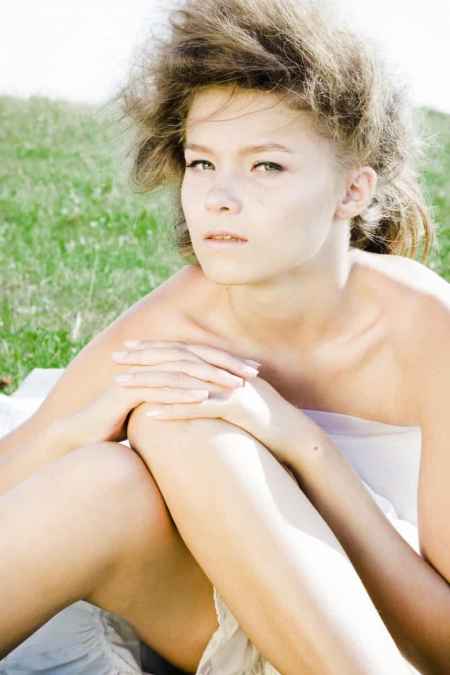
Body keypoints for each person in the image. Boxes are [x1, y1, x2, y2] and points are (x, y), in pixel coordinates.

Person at [0, 0, 448, 673]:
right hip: (211, 624)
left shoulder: (427, 330)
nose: (218, 198)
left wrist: (300, 443)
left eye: (266, 166)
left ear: (352, 191)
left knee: (181, 421)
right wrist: (82, 423)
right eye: (203, 163)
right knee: (115, 463)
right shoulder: (178, 319)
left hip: (379, 647)